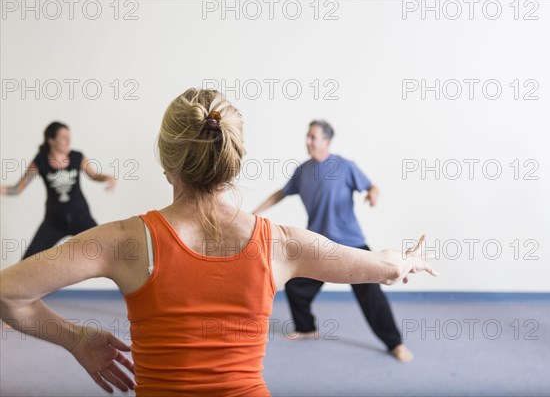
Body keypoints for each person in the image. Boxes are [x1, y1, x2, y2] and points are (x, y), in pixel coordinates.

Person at [0, 88, 438, 396]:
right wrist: (407, 262)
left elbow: (7, 293)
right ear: (235, 159)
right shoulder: (279, 244)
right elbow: (382, 265)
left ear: (167, 162)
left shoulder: (124, 240)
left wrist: (75, 338)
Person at [252, 120, 415, 362]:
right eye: (307, 136)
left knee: (371, 295)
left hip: (351, 242)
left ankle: (395, 344)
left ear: (326, 141)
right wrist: (256, 212)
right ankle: (307, 329)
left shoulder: (345, 166)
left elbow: (372, 186)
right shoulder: (303, 170)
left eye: (313, 137)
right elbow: (282, 192)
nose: (308, 141)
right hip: (318, 245)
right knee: (297, 285)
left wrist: (372, 195)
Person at [0, 121, 116, 258]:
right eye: (63, 137)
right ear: (51, 140)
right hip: (54, 222)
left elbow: (94, 175)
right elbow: (17, 189)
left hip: (82, 218)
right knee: (28, 259)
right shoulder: (40, 161)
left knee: (109, 251)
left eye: (69, 136)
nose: (69, 141)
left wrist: (108, 178)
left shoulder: (77, 157)